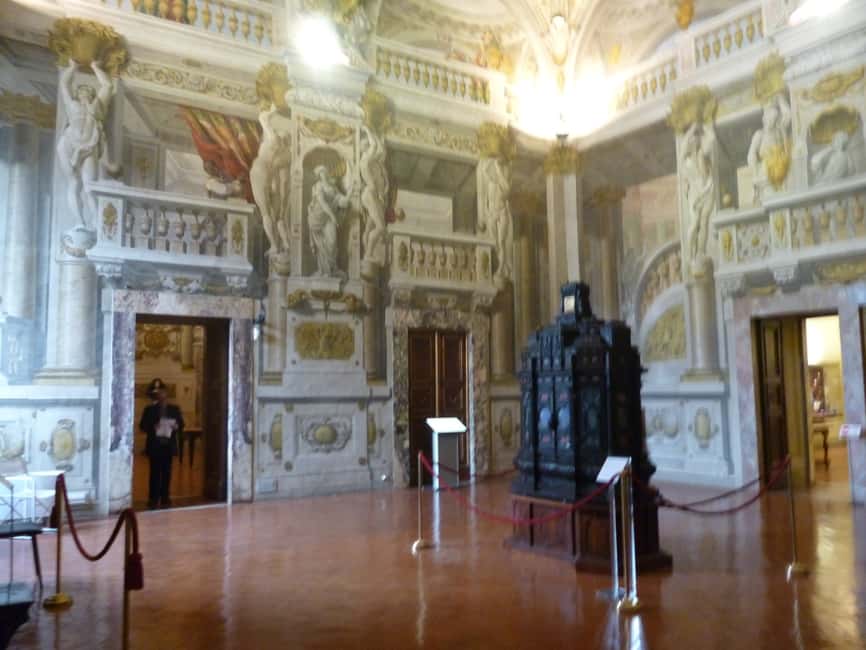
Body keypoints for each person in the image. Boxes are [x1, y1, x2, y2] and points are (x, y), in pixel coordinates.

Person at [139, 378, 184, 509]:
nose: (161, 395)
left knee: (167, 472)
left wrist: (176, 426)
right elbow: (142, 426)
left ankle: (165, 497)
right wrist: (153, 427)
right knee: (154, 472)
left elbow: (181, 424)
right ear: (156, 395)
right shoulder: (149, 410)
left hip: (168, 445)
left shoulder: (174, 409)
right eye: (158, 393)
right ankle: (153, 498)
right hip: (155, 445)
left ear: (166, 393)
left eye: (163, 392)